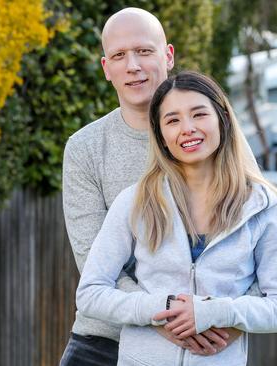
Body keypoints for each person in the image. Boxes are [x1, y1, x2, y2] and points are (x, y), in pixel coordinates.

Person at [75, 71, 277, 365]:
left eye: (199, 114)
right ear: (161, 136)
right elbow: (91, 293)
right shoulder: (135, 202)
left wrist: (216, 312)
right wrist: (162, 309)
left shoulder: (263, 207)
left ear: (222, 118)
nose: (188, 128)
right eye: (173, 120)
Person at [60, 8, 243, 365]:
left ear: (168, 55)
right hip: (102, 342)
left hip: (203, 343)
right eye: (119, 56)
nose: (133, 66)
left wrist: (227, 320)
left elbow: (251, 244)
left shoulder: (215, 137)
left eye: (144, 51)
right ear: (105, 68)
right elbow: (92, 261)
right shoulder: (84, 149)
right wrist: (165, 315)